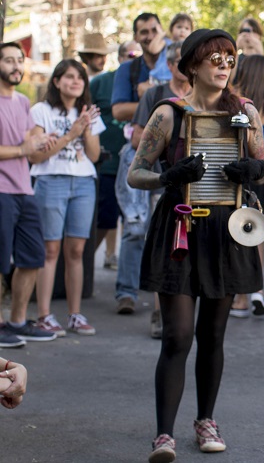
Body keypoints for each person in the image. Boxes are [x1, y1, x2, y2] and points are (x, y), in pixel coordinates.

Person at [128, 29, 264, 462]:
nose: (225, 65)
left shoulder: (245, 112)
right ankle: (164, 434)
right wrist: (169, 177)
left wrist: (251, 169)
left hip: (227, 231)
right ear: (192, 66)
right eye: (216, 58)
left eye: (230, 58)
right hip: (179, 228)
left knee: (213, 334)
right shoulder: (169, 114)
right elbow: (136, 172)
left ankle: (206, 419)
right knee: (177, 335)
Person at [29, 60, 105, 337]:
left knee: (76, 251)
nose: (75, 82)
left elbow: (95, 156)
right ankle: (44, 316)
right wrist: (70, 133)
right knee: (49, 250)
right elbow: (35, 155)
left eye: (80, 78)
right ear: (57, 81)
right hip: (51, 181)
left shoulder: (89, 112)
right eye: (69, 76)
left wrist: (85, 128)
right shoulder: (41, 110)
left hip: (84, 183)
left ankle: (75, 314)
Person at [124, 41, 191, 339]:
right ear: (170, 64)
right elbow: (138, 137)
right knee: (168, 251)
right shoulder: (157, 96)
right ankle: (159, 313)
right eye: (174, 61)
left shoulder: (216, 101)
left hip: (206, 194)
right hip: (164, 184)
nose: (180, 66)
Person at [0, 42, 57, 347]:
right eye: (8, 60)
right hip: (1, 191)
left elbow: (28, 146)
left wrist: (40, 141)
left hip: (24, 189)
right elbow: (20, 147)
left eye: (19, 61)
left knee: (33, 256)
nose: (16, 66)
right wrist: (23, 149)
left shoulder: (22, 102)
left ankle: (18, 321)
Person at [230, 55, 264, 318]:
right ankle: (257, 291)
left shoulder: (234, 101)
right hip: (262, 174)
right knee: (257, 234)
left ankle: (239, 298)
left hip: (236, 173)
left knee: (237, 233)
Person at [89, 41, 134, 272]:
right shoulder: (101, 82)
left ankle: (127, 279)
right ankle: (85, 265)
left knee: (134, 224)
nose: (134, 57)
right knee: (105, 217)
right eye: (130, 54)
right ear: (120, 57)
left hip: (137, 165)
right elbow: (85, 112)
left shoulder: (147, 84)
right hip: (107, 162)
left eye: (138, 54)